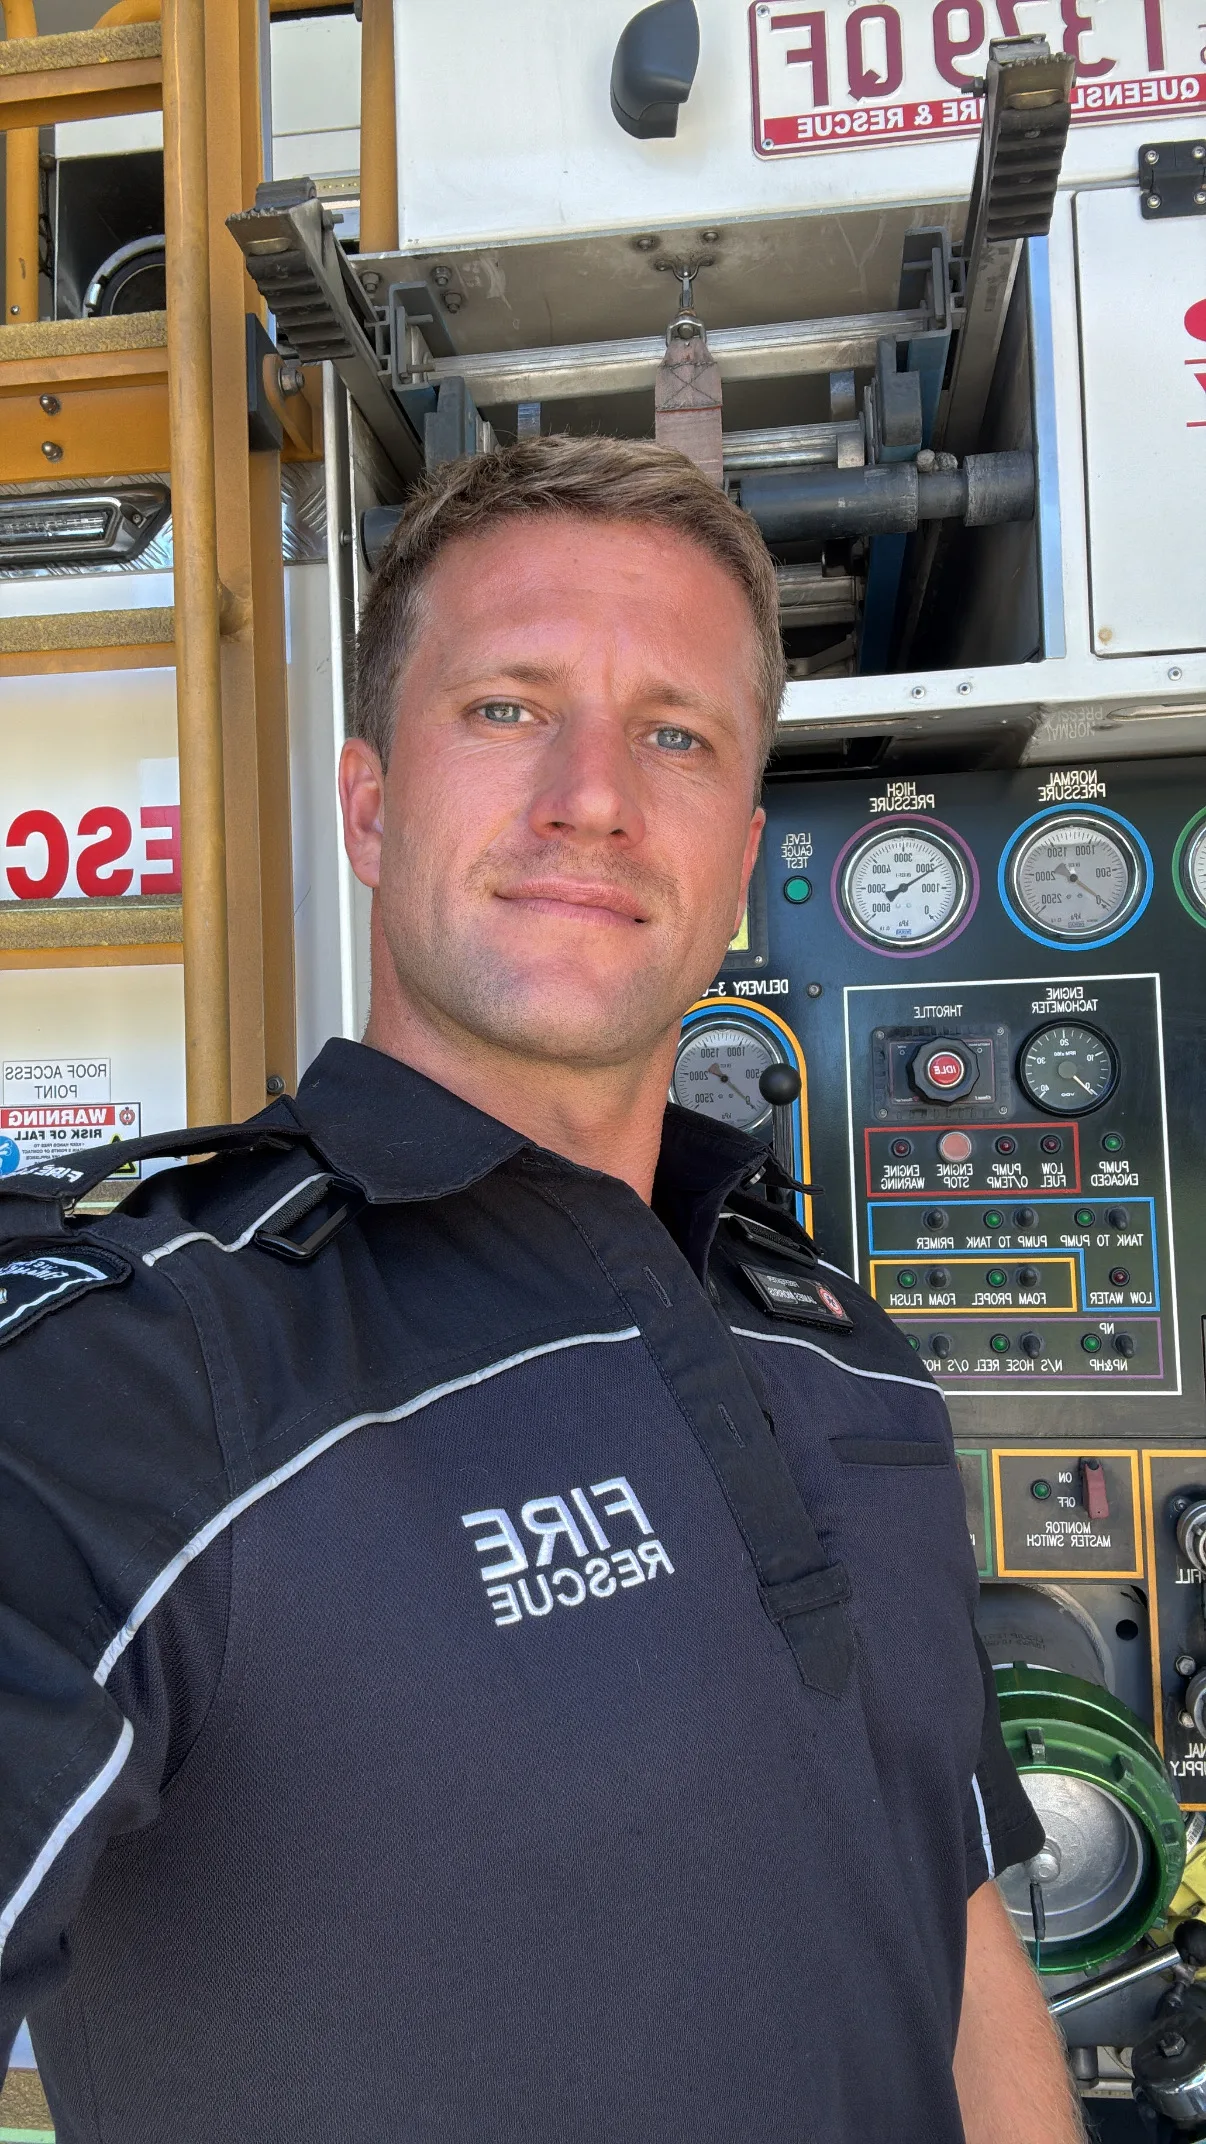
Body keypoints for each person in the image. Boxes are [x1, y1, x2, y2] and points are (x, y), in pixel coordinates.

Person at [0, 435, 1081, 2144]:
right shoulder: (133, 1372)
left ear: (735, 867)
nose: (594, 791)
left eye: (675, 733)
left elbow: (941, 1906)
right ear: (369, 805)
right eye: (507, 708)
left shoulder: (849, 1356)